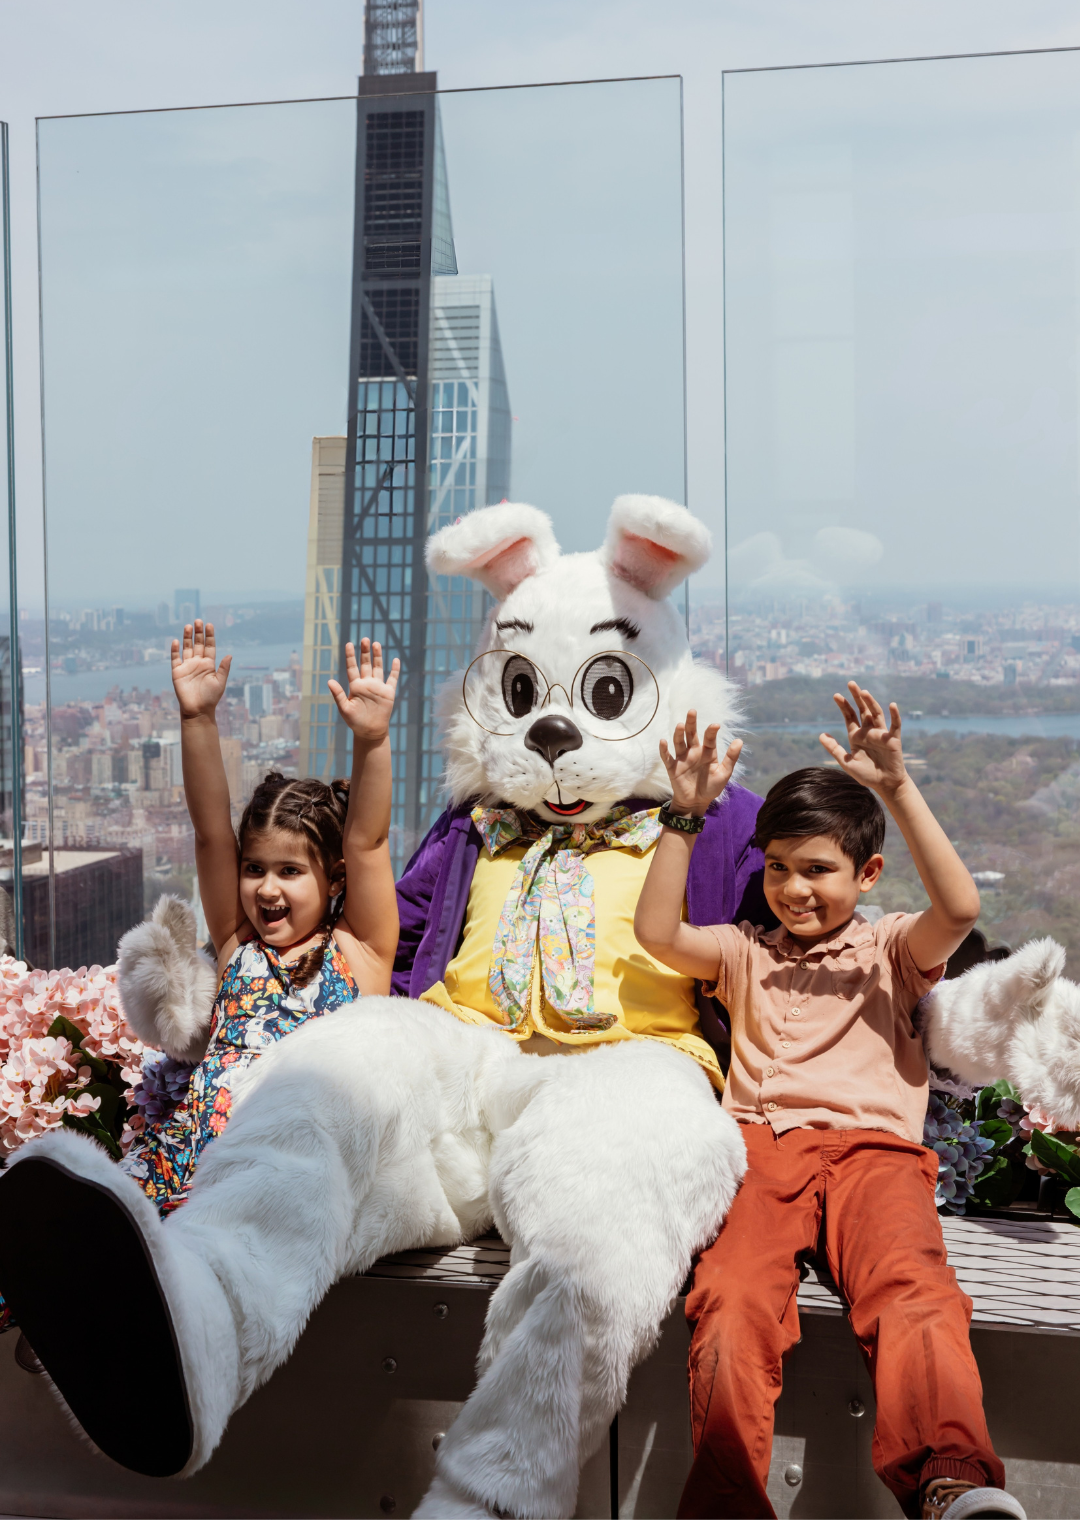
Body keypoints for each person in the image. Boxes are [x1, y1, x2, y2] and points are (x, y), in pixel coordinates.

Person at [634, 683, 1025, 1520]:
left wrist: (897, 785)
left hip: (875, 1158)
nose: (793, 889)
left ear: (866, 873)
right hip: (761, 1151)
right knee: (731, 1299)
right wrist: (683, 815)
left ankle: (950, 1480)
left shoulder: (890, 948)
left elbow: (959, 908)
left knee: (910, 1290)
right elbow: (658, 935)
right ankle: (726, 1503)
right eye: (778, 868)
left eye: (818, 869)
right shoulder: (742, 950)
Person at [121, 619, 401, 1212]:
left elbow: (369, 841)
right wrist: (197, 718)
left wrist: (372, 740)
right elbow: (209, 835)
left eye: (290, 871)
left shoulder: (362, 950)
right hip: (182, 1169)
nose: (266, 888)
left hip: (283, 1186)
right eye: (254, 869)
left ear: (336, 878)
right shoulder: (237, 942)